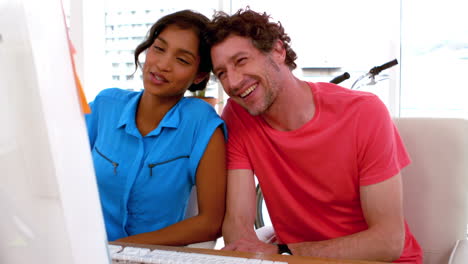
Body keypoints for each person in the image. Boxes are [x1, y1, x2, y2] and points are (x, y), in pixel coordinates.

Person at [207, 8, 422, 263]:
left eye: (241, 61)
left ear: (277, 51)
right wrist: (246, 252)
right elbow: (237, 221)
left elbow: (388, 241)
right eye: (221, 73)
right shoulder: (239, 114)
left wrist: (282, 251)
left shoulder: (364, 112)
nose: (232, 82)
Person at [85, 10, 226, 246]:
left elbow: (211, 222)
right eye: (159, 49)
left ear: (199, 75)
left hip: (151, 257)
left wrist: (119, 250)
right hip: (84, 251)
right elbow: (59, 172)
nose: (162, 65)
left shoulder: (201, 122)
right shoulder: (105, 105)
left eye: (182, 60)